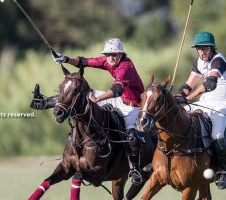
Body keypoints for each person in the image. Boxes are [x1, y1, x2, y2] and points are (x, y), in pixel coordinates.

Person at [31, 38, 145, 185]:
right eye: (108, 54)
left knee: (131, 137)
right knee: (81, 93)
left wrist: (97, 99)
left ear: (121, 54)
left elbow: (116, 90)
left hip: (132, 106)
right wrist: (64, 58)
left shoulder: (125, 67)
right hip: (117, 99)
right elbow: (83, 61)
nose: (111, 57)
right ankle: (44, 102)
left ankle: (134, 169)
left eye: (114, 54)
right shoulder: (107, 61)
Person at [177, 32, 226, 190]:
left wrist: (190, 97)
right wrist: (179, 96)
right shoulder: (198, 62)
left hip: (222, 104)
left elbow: (210, 83)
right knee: (177, 116)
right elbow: (188, 84)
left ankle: (223, 170)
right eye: (199, 48)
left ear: (212, 48)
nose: (202, 51)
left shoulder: (218, 60)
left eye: (205, 48)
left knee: (216, 135)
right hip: (205, 102)